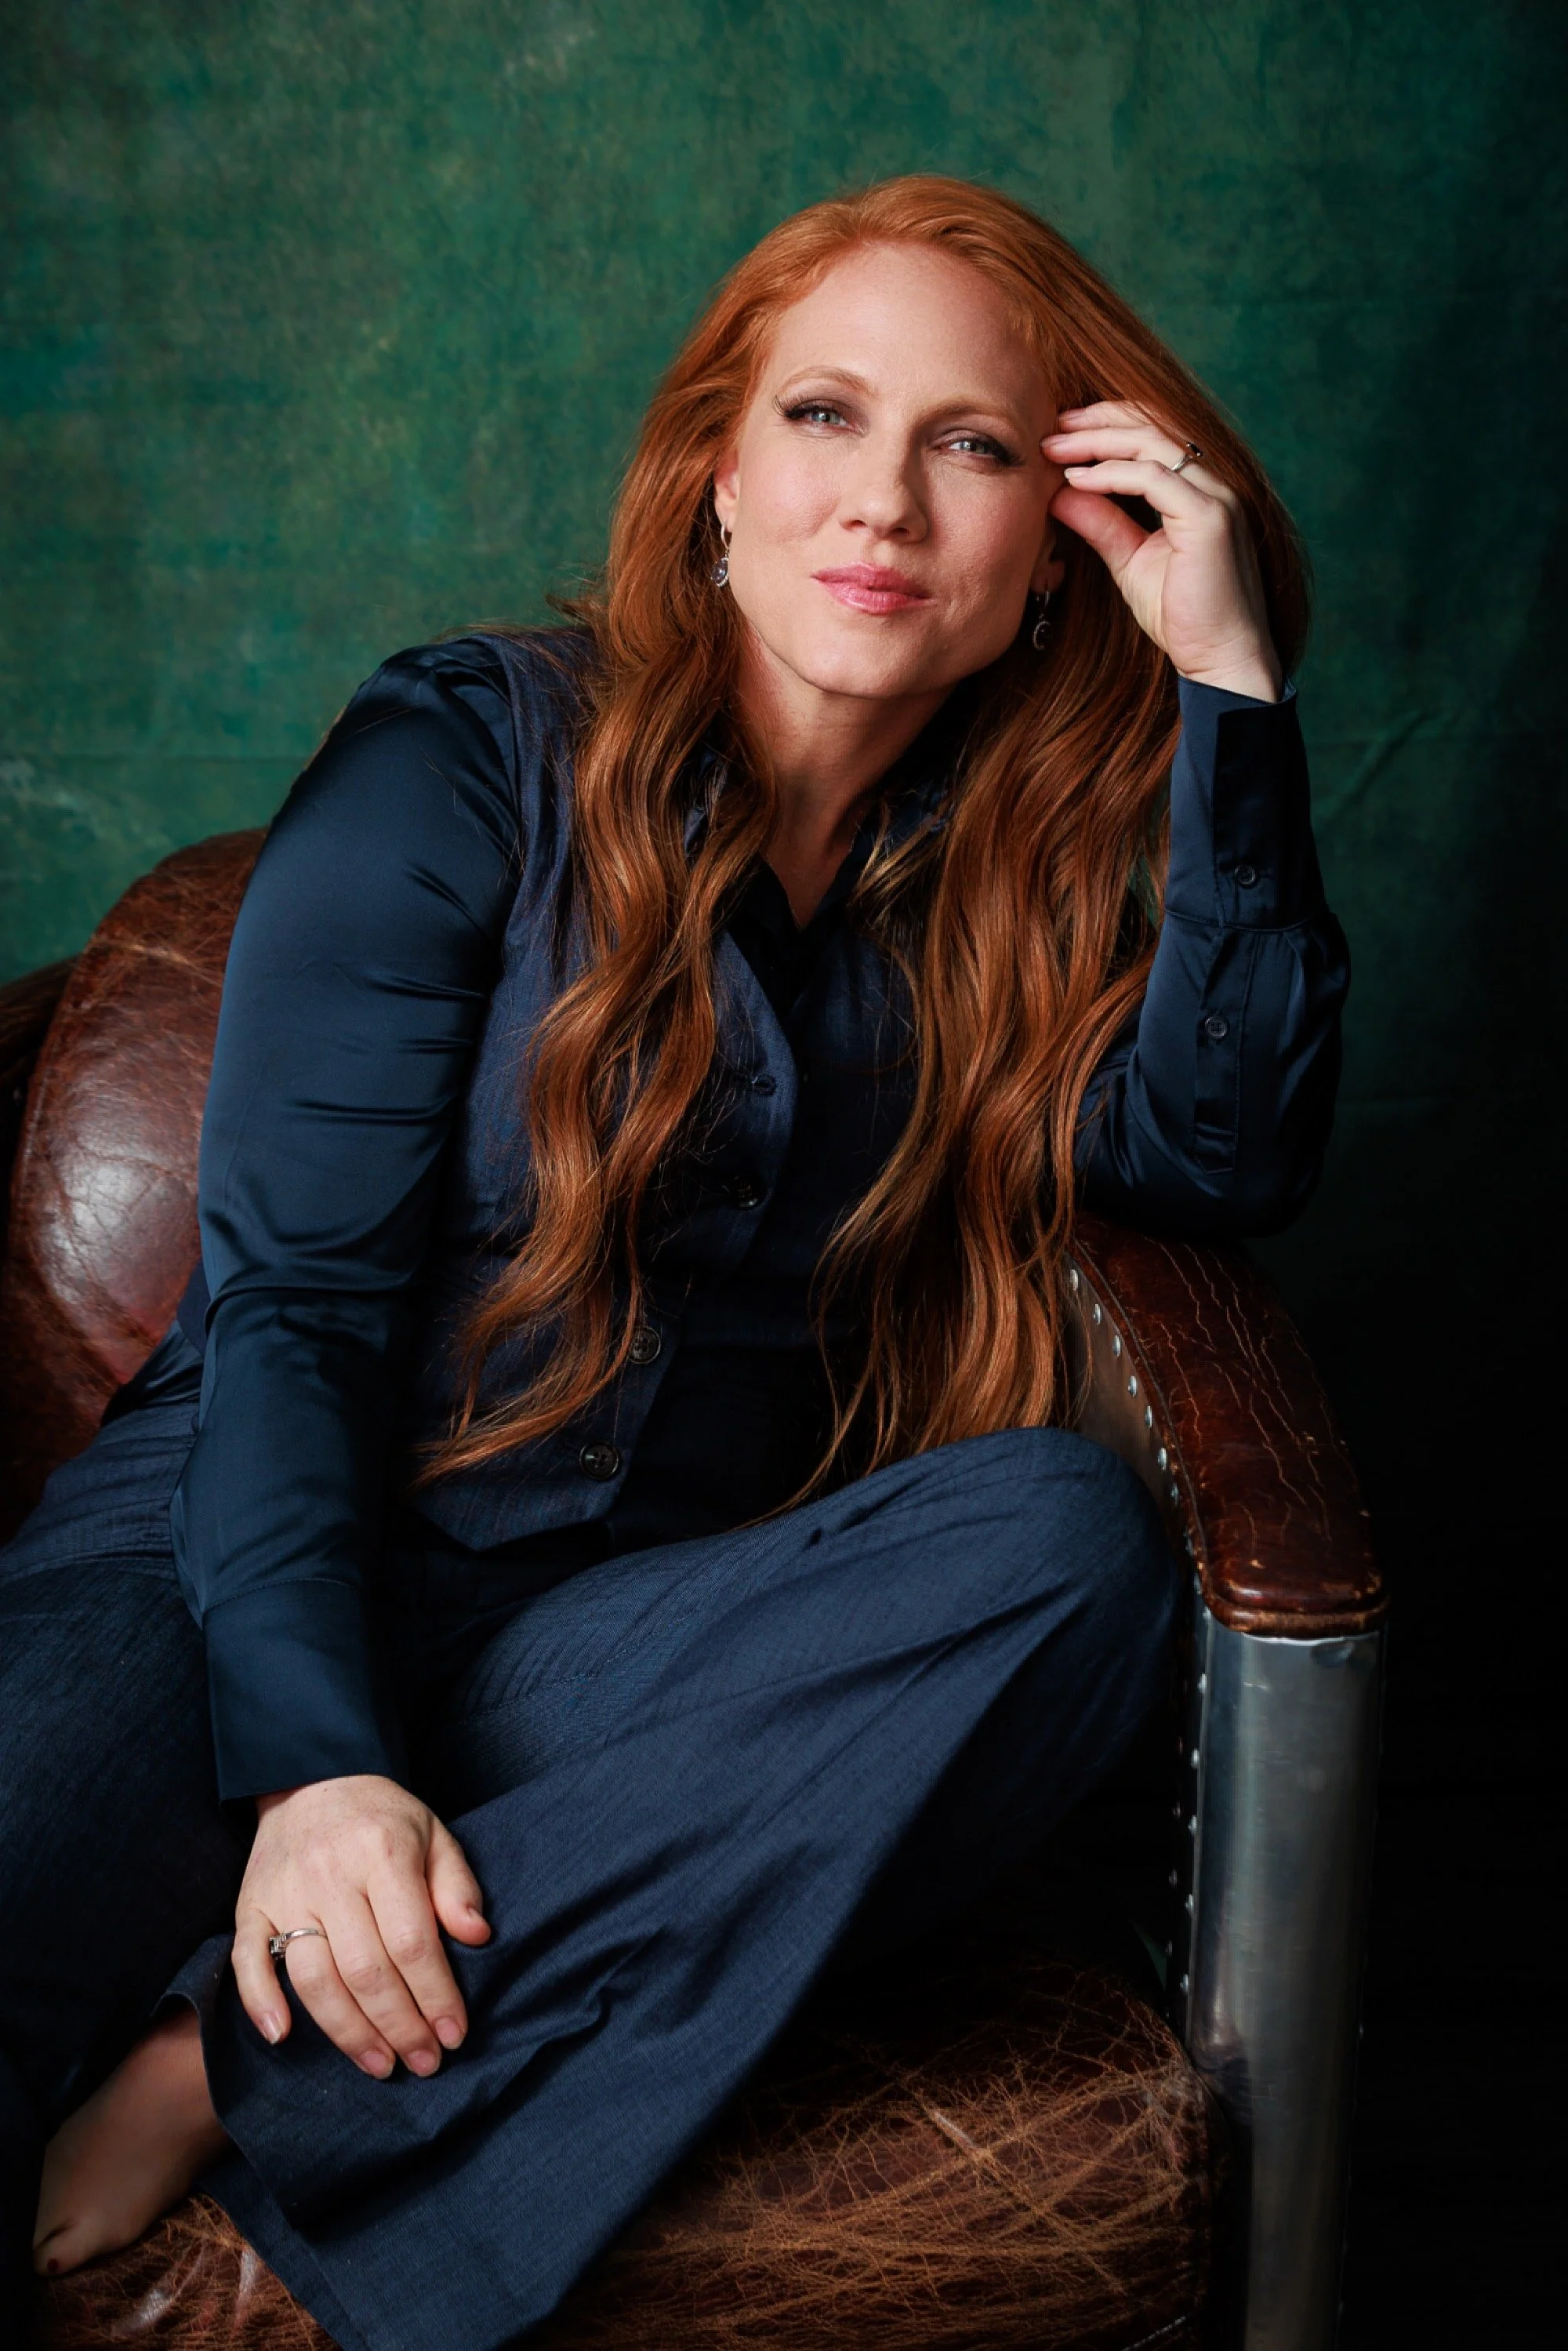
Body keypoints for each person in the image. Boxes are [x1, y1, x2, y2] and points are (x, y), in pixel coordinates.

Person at [0, 176, 1346, 2346]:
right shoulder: (459, 760)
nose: (883, 500)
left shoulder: (999, 908)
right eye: (823, 415)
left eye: (975, 445)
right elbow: (293, 1313)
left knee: (1060, 1557)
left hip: (614, 1680)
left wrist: (1229, 682)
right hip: (233, 1576)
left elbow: (1222, 1147)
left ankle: (234, 2067)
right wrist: (317, 1771)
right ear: (718, 474)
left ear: (1055, 542)